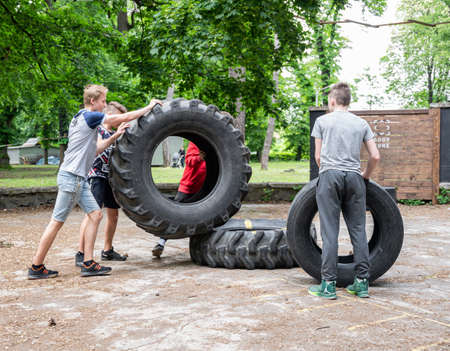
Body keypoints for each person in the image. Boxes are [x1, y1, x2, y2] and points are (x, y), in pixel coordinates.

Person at [28, 84, 162, 279]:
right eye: (103, 101)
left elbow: (96, 149)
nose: (105, 104)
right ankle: (36, 266)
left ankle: (88, 263)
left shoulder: (80, 117)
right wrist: (149, 107)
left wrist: (115, 136)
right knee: (56, 222)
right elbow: (122, 118)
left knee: (96, 214)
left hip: (76, 178)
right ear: (93, 102)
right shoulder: (92, 116)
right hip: (71, 178)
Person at [309, 82, 380, 299]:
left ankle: (328, 286)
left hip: (330, 176)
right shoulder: (361, 123)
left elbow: (318, 157)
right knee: (358, 230)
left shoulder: (322, 121)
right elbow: (375, 156)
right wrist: (365, 176)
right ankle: (362, 283)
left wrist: (328, 175)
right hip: (354, 178)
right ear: (348, 101)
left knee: (330, 231)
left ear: (332, 100)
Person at [75, 101, 128, 268]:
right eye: (118, 117)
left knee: (113, 214)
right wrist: (115, 136)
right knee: (92, 214)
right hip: (96, 176)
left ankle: (107, 250)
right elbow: (98, 148)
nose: (120, 121)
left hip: (110, 179)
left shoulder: (115, 133)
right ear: (111, 115)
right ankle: (81, 253)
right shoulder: (97, 129)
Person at [152, 142, 206, 257]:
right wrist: (199, 158)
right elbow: (189, 161)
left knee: (199, 217)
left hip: (202, 188)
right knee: (173, 215)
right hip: (188, 186)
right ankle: (160, 243)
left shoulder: (215, 142)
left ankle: (198, 248)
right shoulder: (196, 142)